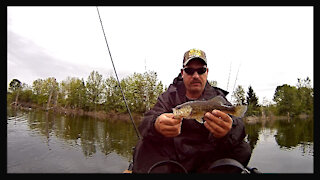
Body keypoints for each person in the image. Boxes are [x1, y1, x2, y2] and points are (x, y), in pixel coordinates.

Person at [132, 49, 251, 173]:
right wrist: (156, 124)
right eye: (189, 70)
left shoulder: (216, 97)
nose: (195, 76)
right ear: (182, 73)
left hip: (207, 158)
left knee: (242, 149)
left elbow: (239, 127)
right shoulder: (169, 96)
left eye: (201, 70)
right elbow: (146, 121)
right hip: (174, 156)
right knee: (143, 146)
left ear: (207, 72)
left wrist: (228, 131)